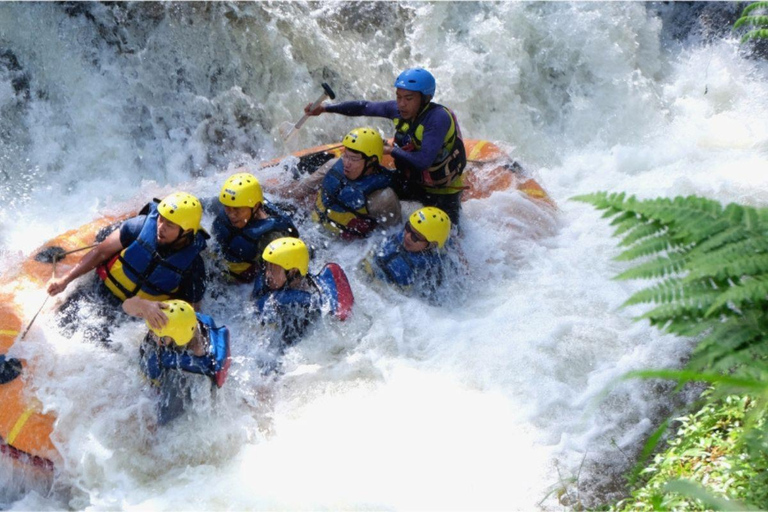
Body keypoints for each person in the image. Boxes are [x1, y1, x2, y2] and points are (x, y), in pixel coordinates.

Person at [304, 67, 466, 226]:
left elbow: (424, 161)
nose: (401, 104)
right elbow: (364, 107)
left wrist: (391, 150)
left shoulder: (438, 118)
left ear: (425, 98)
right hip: (408, 181)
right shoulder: (398, 110)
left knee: (448, 237)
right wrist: (325, 108)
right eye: (398, 97)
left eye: (408, 98)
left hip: (442, 191)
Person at [47, 191, 208, 341]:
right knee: (57, 327)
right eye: (161, 219)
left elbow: (190, 311)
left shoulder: (193, 265)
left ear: (186, 232)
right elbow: (100, 253)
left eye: (170, 225)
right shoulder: (138, 227)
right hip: (98, 292)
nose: (161, 227)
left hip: (135, 320)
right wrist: (65, 280)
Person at [128, 298, 230, 426]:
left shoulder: (196, 365)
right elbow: (127, 305)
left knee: (157, 422)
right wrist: (143, 305)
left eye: (161, 337)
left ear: (178, 338)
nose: (153, 337)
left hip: (180, 386)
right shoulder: (190, 322)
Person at [309, 127, 402, 239]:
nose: (346, 163)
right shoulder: (332, 165)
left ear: (371, 161)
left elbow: (394, 235)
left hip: (351, 247)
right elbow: (298, 190)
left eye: (353, 159)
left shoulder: (382, 198)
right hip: (313, 227)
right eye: (346, 156)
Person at [213, 171, 298, 282]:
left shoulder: (270, 236)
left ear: (255, 206)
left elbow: (278, 278)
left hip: (241, 282)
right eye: (227, 208)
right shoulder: (231, 202)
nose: (231, 215)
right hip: (217, 265)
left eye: (237, 209)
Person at [361, 206, 454, 303]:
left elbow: (427, 302)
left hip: (390, 296)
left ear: (432, 245)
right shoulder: (404, 238)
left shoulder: (431, 270)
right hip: (371, 275)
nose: (408, 236)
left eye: (416, 236)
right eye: (408, 228)